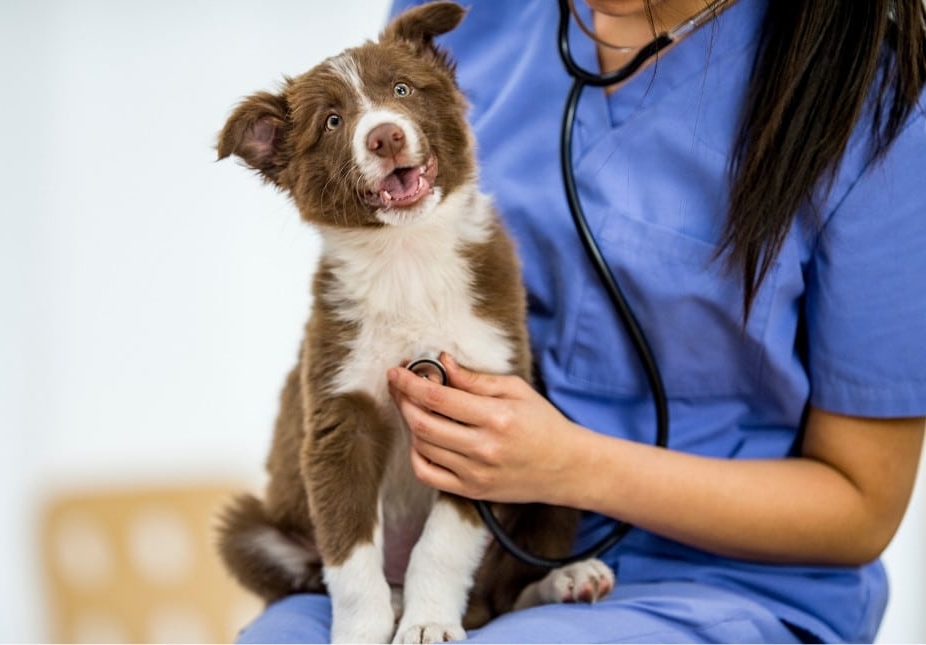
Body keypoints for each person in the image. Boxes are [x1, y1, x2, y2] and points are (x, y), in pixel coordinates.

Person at [238, 0, 926, 642]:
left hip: (723, 577)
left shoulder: (875, 100)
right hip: (450, 541)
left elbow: (862, 504)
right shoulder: (466, 18)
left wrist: (567, 467)